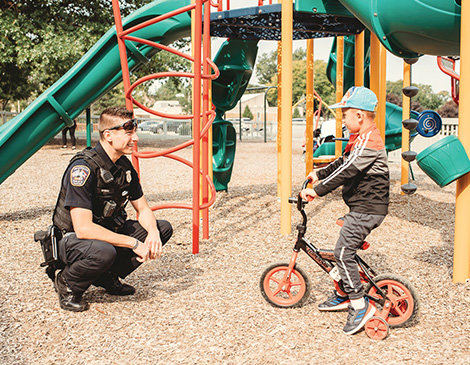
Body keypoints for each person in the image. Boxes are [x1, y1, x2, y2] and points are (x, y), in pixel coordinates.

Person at [52, 107, 173, 312]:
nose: (135, 138)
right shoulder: (83, 169)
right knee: (104, 251)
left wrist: (152, 234)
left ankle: (105, 275)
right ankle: (67, 282)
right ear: (108, 135)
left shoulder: (123, 166)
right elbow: (83, 229)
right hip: (72, 239)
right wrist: (134, 243)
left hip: (104, 234)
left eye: (134, 131)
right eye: (128, 133)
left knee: (162, 229)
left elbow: (142, 208)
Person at [300, 86, 389, 335]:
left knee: (342, 253)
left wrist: (317, 191)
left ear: (359, 116)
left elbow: (347, 171)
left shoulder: (370, 140)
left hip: (368, 209)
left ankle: (360, 305)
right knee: (342, 250)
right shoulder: (361, 138)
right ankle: (344, 292)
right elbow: (343, 162)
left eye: (345, 114)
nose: (343, 118)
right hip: (362, 206)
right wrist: (319, 173)